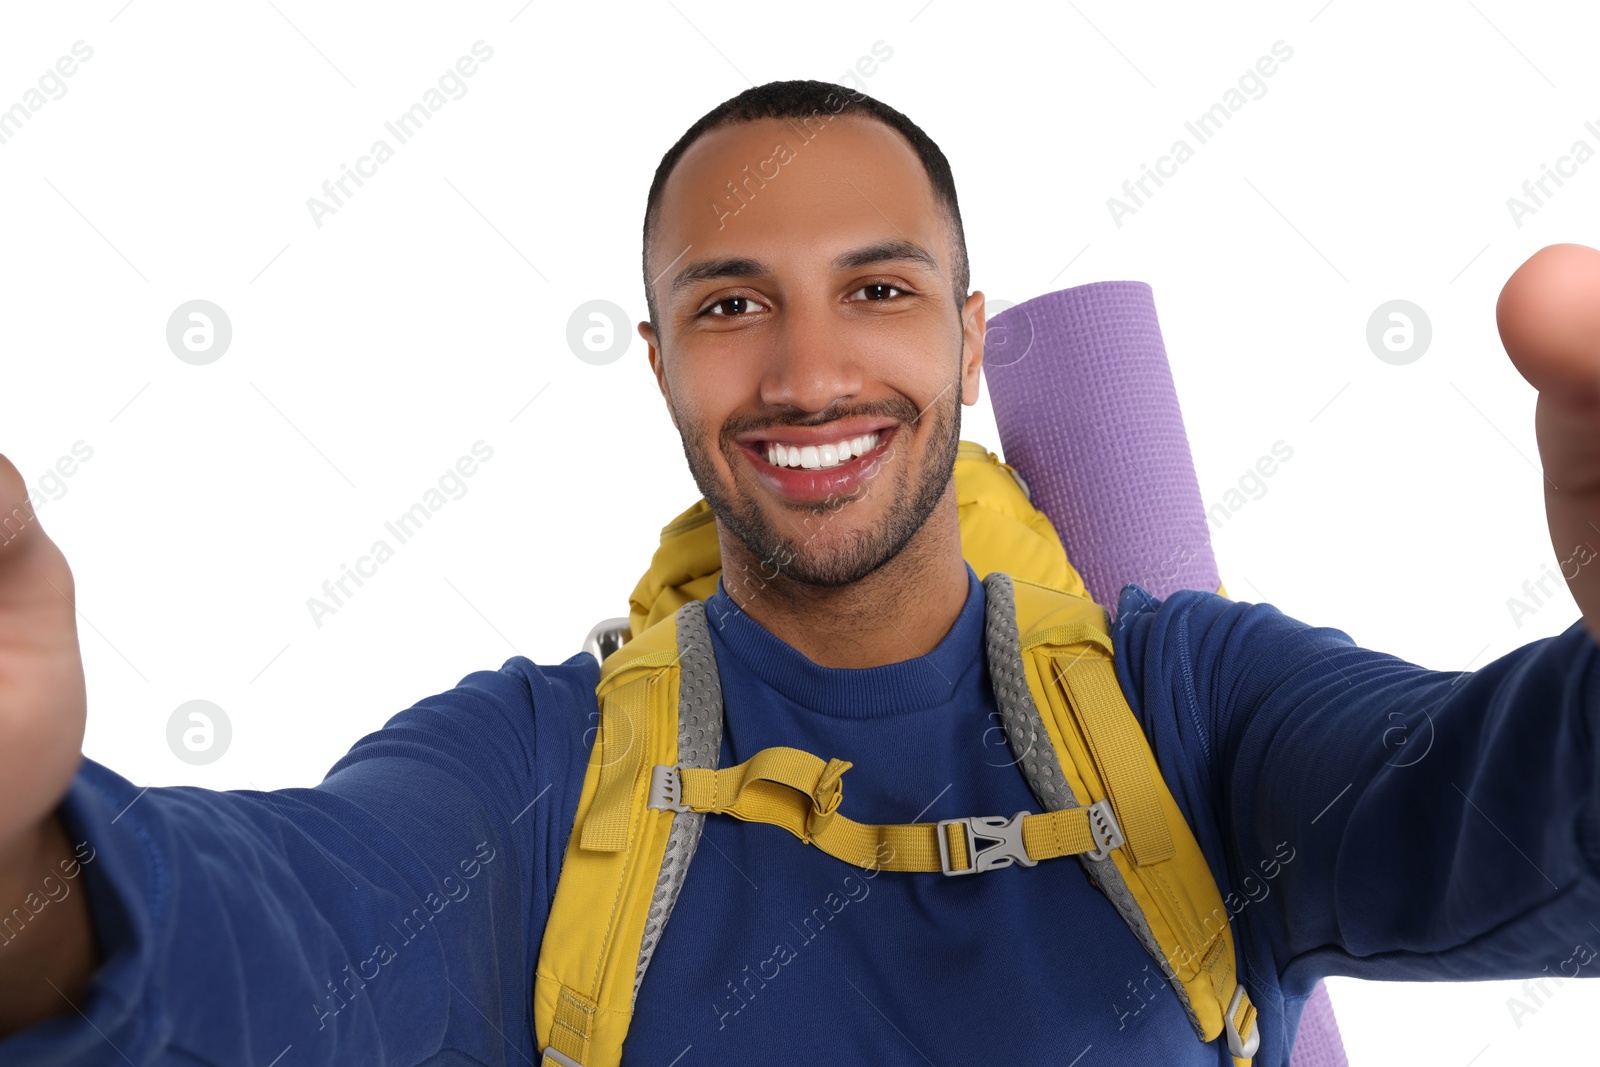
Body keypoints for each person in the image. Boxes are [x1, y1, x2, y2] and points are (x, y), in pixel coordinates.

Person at [1, 78, 1597, 1067]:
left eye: (881, 289)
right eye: (728, 304)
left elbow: (1491, 813)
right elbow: (289, 946)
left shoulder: (1194, 710)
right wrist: (21, 856)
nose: (810, 370)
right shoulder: (541, 777)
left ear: (971, 343)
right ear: (657, 365)